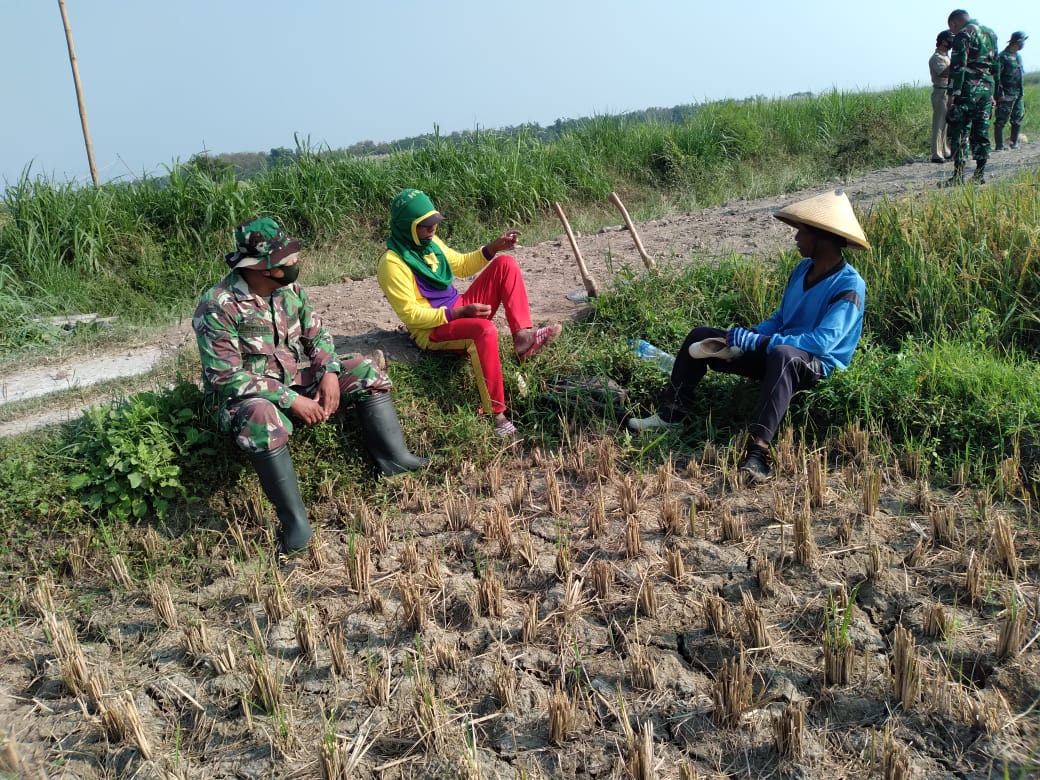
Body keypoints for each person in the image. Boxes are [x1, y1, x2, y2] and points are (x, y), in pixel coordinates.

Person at [194, 217, 426, 553]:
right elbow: (226, 377)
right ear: (261, 267)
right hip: (246, 401)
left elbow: (318, 335)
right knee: (262, 415)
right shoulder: (218, 305)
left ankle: (394, 460)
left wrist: (328, 372)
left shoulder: (290, 291)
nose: (294, 263)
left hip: (291, 381)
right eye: (285, 259)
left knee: (364, 370)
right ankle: (295, 525)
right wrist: (290, 400)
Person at [627, 190, 869, 485]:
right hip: (779, 349)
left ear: (822, 237)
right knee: (701, 335)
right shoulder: (803, 269)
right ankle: (671, 416)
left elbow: (821, 343)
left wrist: (761, 343)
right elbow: (782, 319)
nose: (795, 239)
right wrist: (746, 336)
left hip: (815, 364)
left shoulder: (849, 285)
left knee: (783, 355)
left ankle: (758, 452)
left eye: (801, 232)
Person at [376, 189, 562, 438]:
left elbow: (462, 265)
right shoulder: (391, 264)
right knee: (484, 330)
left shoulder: (430, 243)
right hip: (434, 328)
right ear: (407, 227)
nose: (432, 228)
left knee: (505, 264)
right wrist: (457, 313)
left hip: (459, 307)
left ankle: (523, 338)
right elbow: (411, 315)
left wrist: (494, 247)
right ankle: (496, 414)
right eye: (425, 224)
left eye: (434, 221)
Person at [944, 9, 999, 185]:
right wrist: (994, 93)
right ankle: (979, 175)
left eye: (952, 29)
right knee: (981, 130)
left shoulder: (963, 34)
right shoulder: (991, 33)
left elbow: (958, 66)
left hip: (969, 88)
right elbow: (996, 64)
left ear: (954, 24)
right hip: (987, 87)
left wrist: (952, 94)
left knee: (959, 129)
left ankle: (958, 176)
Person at [994, 31, 1028, 151]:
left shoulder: (1018, 57)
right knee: (1001, 120)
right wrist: (999, 94)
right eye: (1023, 41)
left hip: (1018, 93)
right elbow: (997, 77)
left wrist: (1021, 94)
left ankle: (1014, 143)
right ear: (1017, 41)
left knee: (1017, 118)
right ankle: (999, 145)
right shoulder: (1003, 57)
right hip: (1006, 94)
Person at [929, 30, 955, 163]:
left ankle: (945, 150)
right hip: (940, 93)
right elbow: (943, 73)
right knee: (938, 125)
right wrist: (956, 63)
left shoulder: (946, 57)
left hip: (947, 92)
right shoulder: (936, 58)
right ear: (943, 41)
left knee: (945, 125)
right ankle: (936, 153)